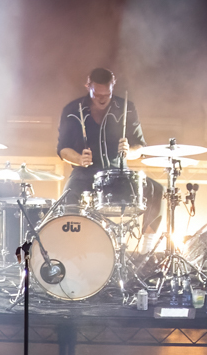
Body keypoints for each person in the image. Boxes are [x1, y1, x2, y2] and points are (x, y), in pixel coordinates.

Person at [56, 67, 161, 235]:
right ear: (88, 87)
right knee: (68, 200)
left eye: (107, 94)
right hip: (84, 173)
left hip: (119, 173)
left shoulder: (127, 108)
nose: (102, 99)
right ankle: (74, 244)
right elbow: (62, 149)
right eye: (97, 94)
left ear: (113, 87)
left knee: (156, 190)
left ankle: (146, 248)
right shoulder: (72, 110)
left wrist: (130, 151)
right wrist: (79, 158)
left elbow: (140, 147)